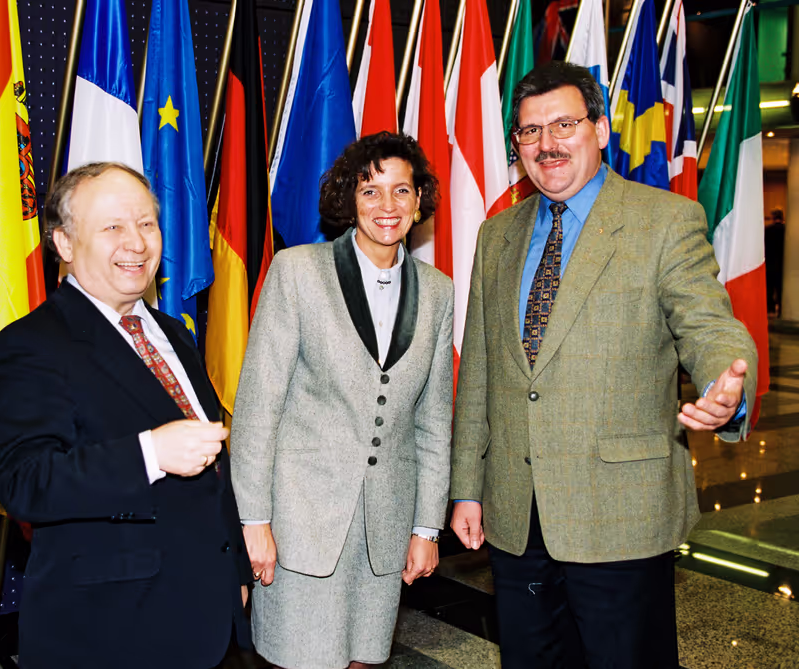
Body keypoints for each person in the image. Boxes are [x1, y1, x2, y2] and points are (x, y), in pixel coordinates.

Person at [449, 62, 758, 669]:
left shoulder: (664, 221)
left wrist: (727, 384)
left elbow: (707, 323)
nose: (546, 144)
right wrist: (466, 488)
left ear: (600, 126)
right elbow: (482, 373)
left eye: (563, 124)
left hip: (619, 511)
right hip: (516, 513)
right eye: (529, 132)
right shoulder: (497, 234)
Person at [0, 162, 251, 668]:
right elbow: (27, 483)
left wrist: (231, 568)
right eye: (112, 227)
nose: (136, 242)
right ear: (63, 244)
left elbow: (216, 470)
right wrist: (150, 452)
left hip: (205, 619)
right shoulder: (28, 346)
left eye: (146, 223)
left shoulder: (174, 334)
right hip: (107, 630)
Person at [231, 132, 453, 669]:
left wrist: (426, 527)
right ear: (348, 199)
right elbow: (259, 408)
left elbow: (433, 420)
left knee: (364, 661)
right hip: (300, 524)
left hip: (386, 526)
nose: (387, 206)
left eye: (402, 191)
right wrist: (253, 521)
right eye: (370, 191)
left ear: (419, 199)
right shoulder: (297, 272)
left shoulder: (440, 290)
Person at [765, 208, 785, 316]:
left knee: (769, 288)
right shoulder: (786, 230)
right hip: (783, 264)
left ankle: (770, 308)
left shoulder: (768, 230)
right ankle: (781, 309)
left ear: (773, 218)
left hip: (770, 263)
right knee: (781, 288)